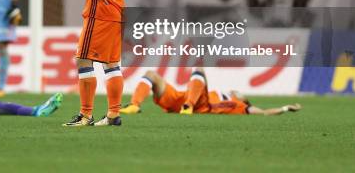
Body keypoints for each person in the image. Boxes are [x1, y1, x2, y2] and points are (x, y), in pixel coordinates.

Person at [121, 68, 302, 116]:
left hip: (200, 104)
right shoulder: (223, 93)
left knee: (198, 70)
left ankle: (188, 106)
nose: (237, 92)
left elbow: (263, 112)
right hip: (179, 98)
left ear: (245, 100)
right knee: (151, 75)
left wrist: (285, 108)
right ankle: (134, 105)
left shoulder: (239, 105)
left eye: (241, 94)